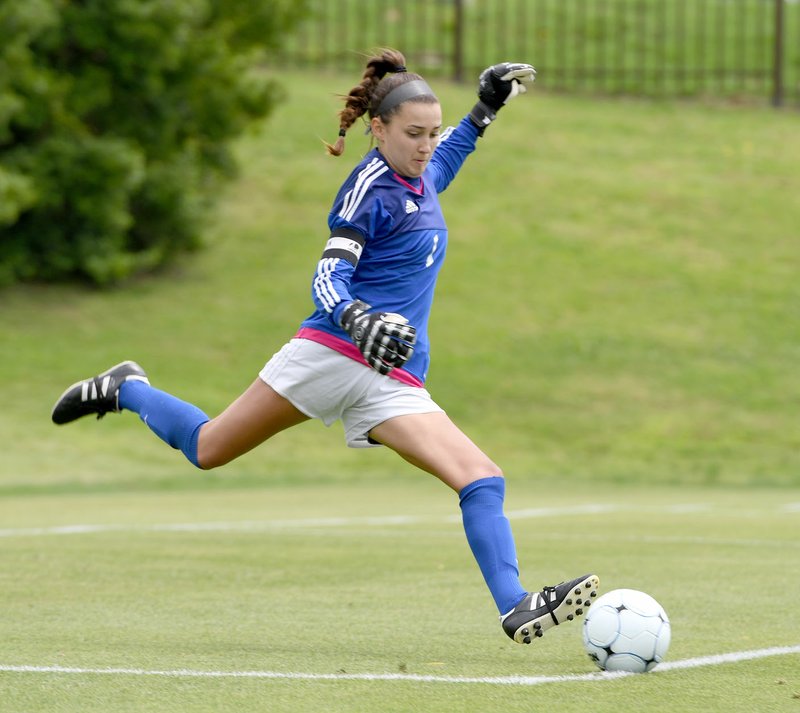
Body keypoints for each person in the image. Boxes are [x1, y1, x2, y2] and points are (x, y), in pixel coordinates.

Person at [51, 49, 599, 644]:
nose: (424, 145)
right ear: (379, 128)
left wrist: (484, 110)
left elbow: (449, 159)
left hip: (392, 376)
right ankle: (128, 388)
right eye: (413, 133)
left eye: (431, 133)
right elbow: (326, 277)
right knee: (209, 448)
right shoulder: (367, 188)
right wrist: (355, 316)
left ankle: (515, 605)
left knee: (481, 478)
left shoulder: (423, 176)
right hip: (332, 353)